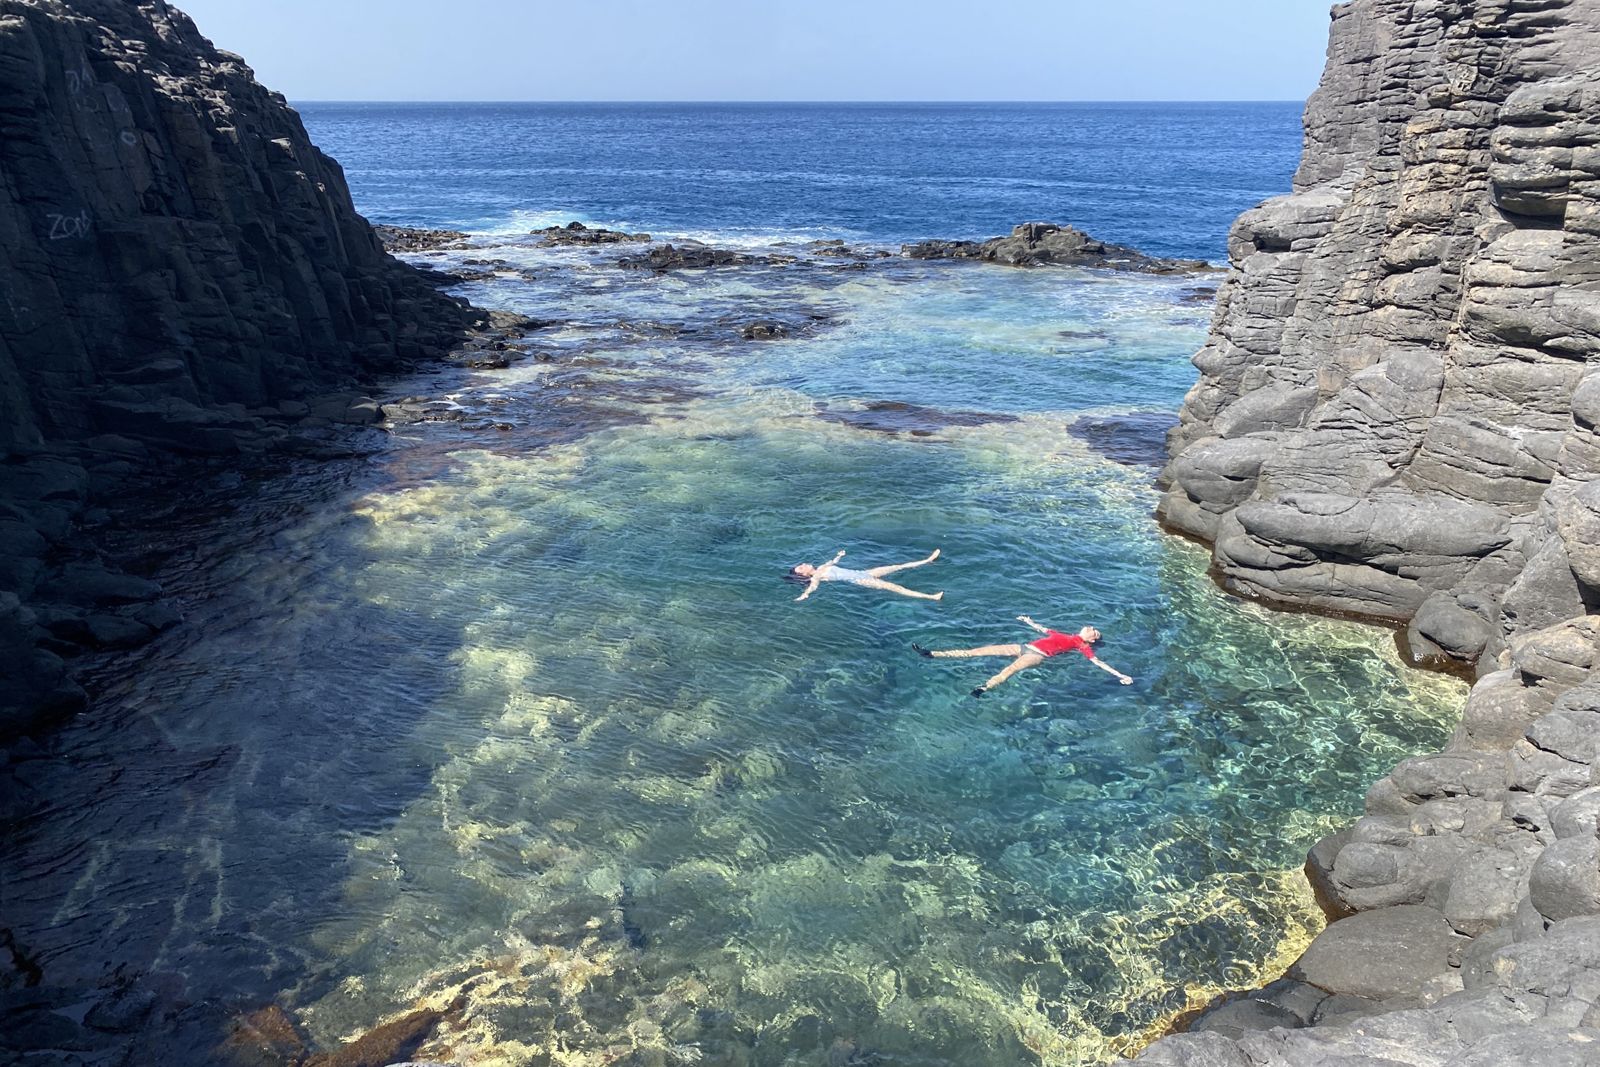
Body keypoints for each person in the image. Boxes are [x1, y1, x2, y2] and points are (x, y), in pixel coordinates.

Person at [913, 615, 1132, 696]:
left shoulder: (1083, 646)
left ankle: (983, 688)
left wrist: (1119, 675)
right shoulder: (1065, 634)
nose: (1091, 627)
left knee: (1008, 671)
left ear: (1091, 639)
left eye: (1094, 631)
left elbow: (1097, 662)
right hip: (1023, 646)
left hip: (1036, 656)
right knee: (977, 651)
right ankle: (932, 654)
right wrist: (1028, 621)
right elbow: (1043, 629)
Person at [790, 549, 943, 602]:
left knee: (897, 566)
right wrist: (805, 595)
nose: (804, 564)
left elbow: (832, 561)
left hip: (864, 573)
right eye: (801, 568)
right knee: (898, 588)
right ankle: (931, 597)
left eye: (802, 564)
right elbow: (813, 587)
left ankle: (927, 560)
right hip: (861, 580)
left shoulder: (823, 567)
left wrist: (839, 556)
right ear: (804, 574)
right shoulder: (816, 577)